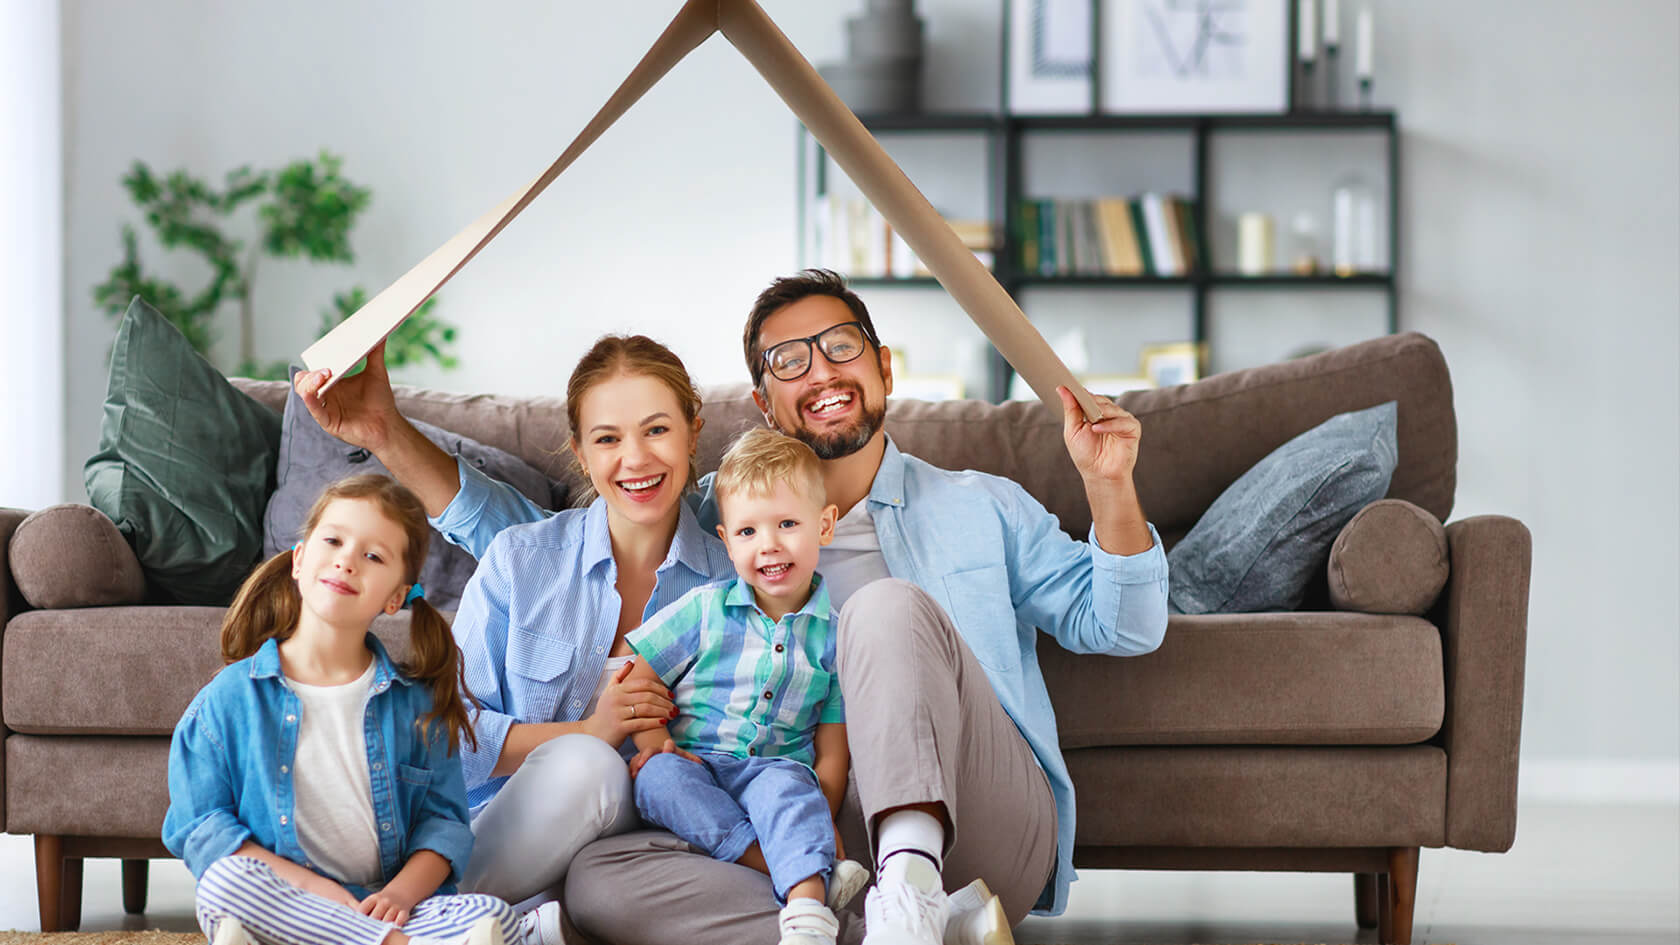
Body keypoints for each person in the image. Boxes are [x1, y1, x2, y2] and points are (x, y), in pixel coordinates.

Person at [297, 269, 1169, 945]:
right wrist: (383, 433)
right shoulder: (730, 517)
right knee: (601, 883)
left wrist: (1110, 487)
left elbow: (1123, 624)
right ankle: (883, 927)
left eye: (840, 347)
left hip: (975, 820)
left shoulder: (982, 503)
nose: (819, 372)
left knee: (883, 612)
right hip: (795, 831)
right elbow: (553, 544)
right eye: (788, 362)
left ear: (883, 366)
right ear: (762, 403)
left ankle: (912, 889)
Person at [294, 335, 736, 941]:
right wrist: (588, 733)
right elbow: (450, 735)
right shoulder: (522, 559)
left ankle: (382, 926)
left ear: (693, 432)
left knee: (606, 781)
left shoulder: (734, 582)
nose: (634, 459)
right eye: (607, 438)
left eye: (656, 430)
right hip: (502, 837)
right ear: (580, 453)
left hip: (638, 858)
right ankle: (415, 919)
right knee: (588, 763)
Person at [162, 474, 517, 945]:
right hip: (284, 899)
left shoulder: (418, 704)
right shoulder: (228, 698)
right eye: (333, 541)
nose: (347, 561)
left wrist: (400, 896)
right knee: (225, 885)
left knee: (490, 914)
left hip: (381, 902)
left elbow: (444, 826)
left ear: (396, 596)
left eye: (373, 556)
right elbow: (200, 826)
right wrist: (318, 891)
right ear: (300, 559)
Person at [623, 428, 870, 945]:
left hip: (776, 770)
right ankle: (790, 867)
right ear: (726, 540)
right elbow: (639, 678)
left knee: (791, 793)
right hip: (699, 763)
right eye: (749, 532)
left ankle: (806, 922)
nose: (769, 545)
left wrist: (820, 804)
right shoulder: (703, 610)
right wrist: (655, 746)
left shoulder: (837, 635)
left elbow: (832, 739)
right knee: (656, 781)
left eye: (787, 524)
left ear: (824, 525)